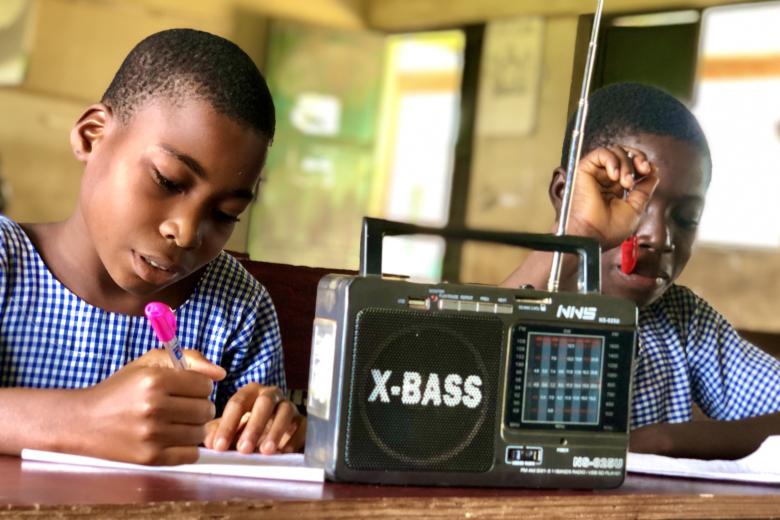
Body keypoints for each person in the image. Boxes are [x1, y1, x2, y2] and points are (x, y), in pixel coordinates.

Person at [0, 28, 304, 465]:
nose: (186, 232)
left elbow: (251, 466)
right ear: (91, 136)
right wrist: (87, 419)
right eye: (168, 180)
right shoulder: (6, 263)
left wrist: (270, 431)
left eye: (225, 214)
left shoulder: (237, 309)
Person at [503, 82, 780, 459]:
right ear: (563, 192)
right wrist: (577, 233)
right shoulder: (513, 310)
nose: (659, 237)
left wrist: (659, 442)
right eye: (629, 203)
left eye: (686, 218)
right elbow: (444, 370)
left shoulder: (681, 324)